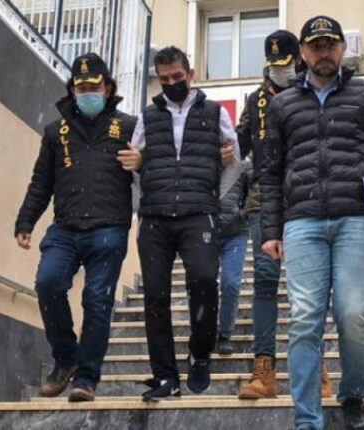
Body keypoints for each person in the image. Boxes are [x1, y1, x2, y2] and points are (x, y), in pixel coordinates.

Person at [260, 16, 364, 430]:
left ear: (342, 48)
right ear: (302, 52)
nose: (323, 51)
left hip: (356, 221)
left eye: (330, 43)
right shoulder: (282, 105)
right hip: (301, 223)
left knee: (353, 313)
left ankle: (352, 395)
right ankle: (307, 419)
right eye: (315, 45)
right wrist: (271, 229)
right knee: (304, 318)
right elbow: (270, 171)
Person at [14, 53, 140, 402]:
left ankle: (86, 378)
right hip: (65, 228)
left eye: (94, 87)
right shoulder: (55, 132)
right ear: (72, 90)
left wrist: (141, 161)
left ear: (107, 88)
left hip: (109, 228)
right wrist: (25, 220)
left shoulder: (128, 127)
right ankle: (66, 358)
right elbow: (41, 182)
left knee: (97, 300)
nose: (87, 93)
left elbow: (152, 170)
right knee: (48, 282)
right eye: (81, 87)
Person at [130, 46, 241, 401]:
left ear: (190, 74)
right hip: (155, 218)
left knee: (205, 280)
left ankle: (200, 353)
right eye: (164, 80)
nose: (172, 83)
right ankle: (166, 376)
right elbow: (134, 163)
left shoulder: (215, 112)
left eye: (177, 77)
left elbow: (235, 161)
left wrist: (211, 195)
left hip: (198, 214)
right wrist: (150, 188)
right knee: (155, 295)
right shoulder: (148, 116)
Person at [235, 30, 332, 400]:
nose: (279, 70)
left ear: (299, 59)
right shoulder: (256, 99)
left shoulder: (316, 92)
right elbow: (240, 141)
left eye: (285, 63)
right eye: (273, 64)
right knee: (264, 278)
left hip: (306, 193)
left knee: (308, 283)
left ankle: (315, 368)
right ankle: (264, 371)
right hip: (263, 195)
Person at [215, 159, 251, 355]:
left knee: (230, 283)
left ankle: (225, 334)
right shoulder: (203, 160)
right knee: (200, 283)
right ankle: (203, 330)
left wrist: (242, 213)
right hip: (204, 230)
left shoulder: (243, 166)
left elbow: (256, 189)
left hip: (236, 233)